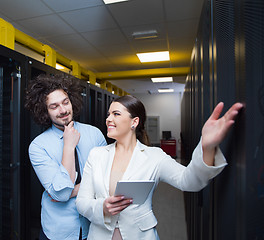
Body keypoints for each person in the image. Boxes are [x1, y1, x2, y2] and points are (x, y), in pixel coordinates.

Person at [76, 95, 243, 240]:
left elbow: (189, 181)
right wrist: (102, 208)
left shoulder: (154, 156)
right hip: (100, 234)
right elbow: (82, 203)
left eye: (116, 114)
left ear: (134, 122)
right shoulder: (96, 155)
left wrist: (207, 147)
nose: (108, 119)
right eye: (108, 114)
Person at [25, 73, 107, 240]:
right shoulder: (38, 146)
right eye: (54, 106)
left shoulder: (94, 134)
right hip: (59, 230)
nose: (63, 110)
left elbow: (107, 179)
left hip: (94, 226)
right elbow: (61, 195)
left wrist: (68, 192)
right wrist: (68, 147)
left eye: (65, 102)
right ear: (44, 111)